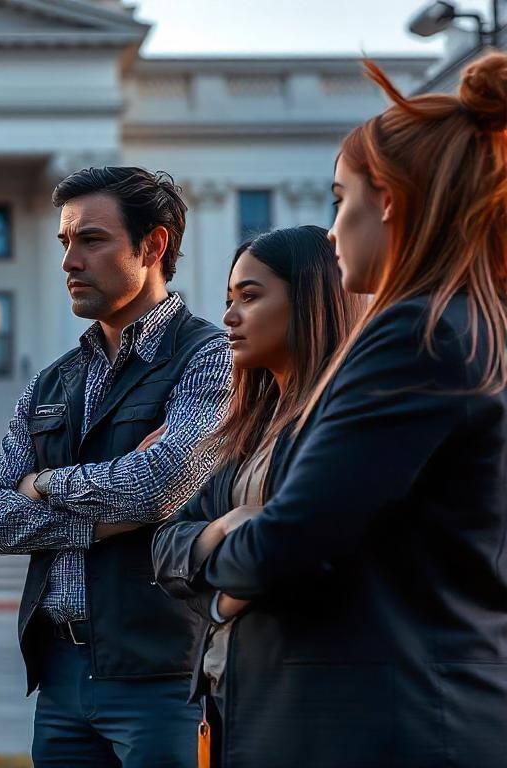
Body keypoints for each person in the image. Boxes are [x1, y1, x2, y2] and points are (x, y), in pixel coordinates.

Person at [189, 53, 507, 767]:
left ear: (388, 200)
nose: (331, 231)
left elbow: (285, 544)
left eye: (340, 199)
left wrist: (215, 541)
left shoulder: (415, 336)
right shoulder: (476, 328)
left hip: (377, 731)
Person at [0, 166, 232, 768]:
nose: (68, 261)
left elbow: (161, 485)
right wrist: (105, 512)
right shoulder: (53, 380)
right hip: (59, 679)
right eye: (65, 242)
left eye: (91, 240)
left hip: (164, 677)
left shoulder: (211, 358)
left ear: (154, 245)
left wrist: (40, 486)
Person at [151, 226, 362, 767]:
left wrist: (220, 590)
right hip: (228, 702)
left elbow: (299, 552)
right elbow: (167, 548)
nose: (229, 318)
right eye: (228, 299)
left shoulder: (343, 422)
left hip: (306, 707)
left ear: (314, 300)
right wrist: (224, 529)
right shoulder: (246, 428)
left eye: (249, 296)